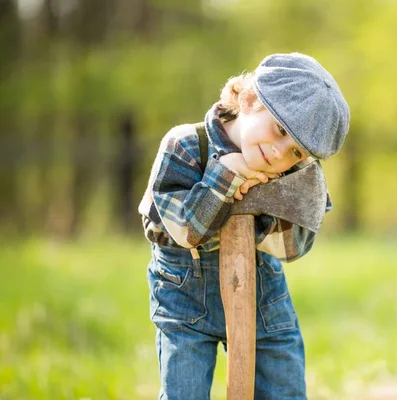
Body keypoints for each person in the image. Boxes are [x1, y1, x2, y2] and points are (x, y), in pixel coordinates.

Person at [138, 52, 350, 399]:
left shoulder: (293, 174)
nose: (280, 153)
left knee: (285, 392)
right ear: (251, 100)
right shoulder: (185, 146)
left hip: (263, 299)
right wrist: (224, 177)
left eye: (297, 152)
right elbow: (184, 233)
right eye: (281, 130)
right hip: (184, 302)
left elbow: (295, 246)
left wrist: (263, 207)